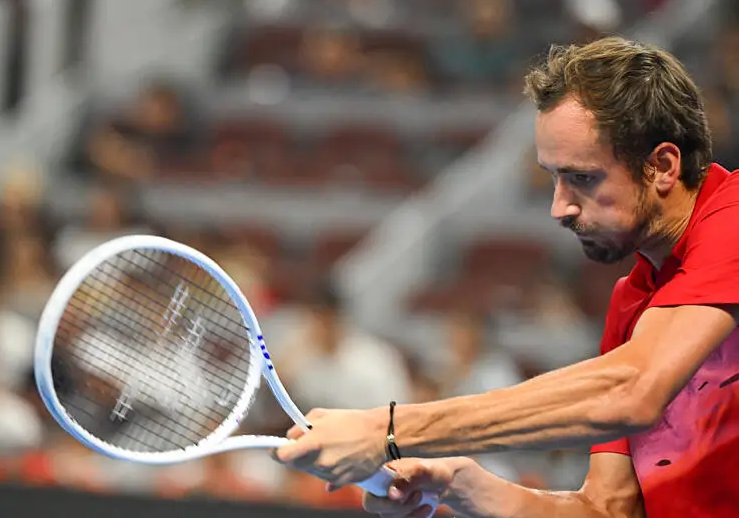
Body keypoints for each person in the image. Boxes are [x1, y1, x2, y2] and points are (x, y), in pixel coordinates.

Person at [274, 36, 739, 518]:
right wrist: (462, 487)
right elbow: (606, 510)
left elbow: (631, 392)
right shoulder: (632, 302)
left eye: (582, 178)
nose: (559, 207)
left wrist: (388, 430)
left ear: (662, 166)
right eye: (553, 177)